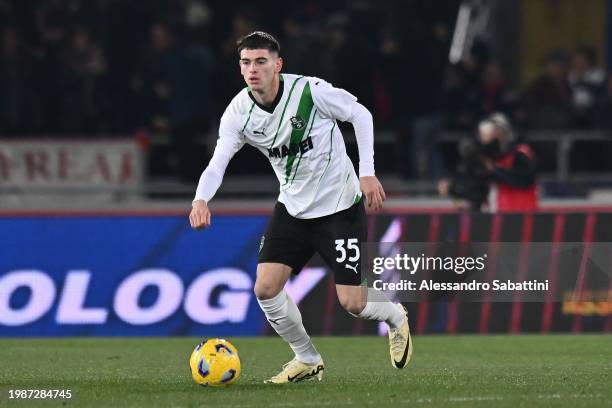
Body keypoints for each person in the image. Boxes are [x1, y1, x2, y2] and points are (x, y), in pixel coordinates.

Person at [189, 31, 411, 383]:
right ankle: (307, 358)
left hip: (340, 206)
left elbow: (361, 115)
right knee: (265, 288)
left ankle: (396, 316)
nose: (252, 69)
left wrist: (367, 173)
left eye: (261, 61)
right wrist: (201, 199)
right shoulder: (239, 112)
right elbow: (218, 163)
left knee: (353, 303)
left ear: (278, 65)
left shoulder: (310, 91)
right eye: (246, 62)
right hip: (293, 209)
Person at [438, 113, 537, 212]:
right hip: (498, 217)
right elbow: (477, 191)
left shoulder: (520, 153)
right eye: (483, 135)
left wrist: (494, 170)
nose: (485, 140)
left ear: (503, 133)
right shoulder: (488, 159)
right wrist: (453, 189)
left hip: (522, 216)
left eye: (489, 134)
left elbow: (525, 180)